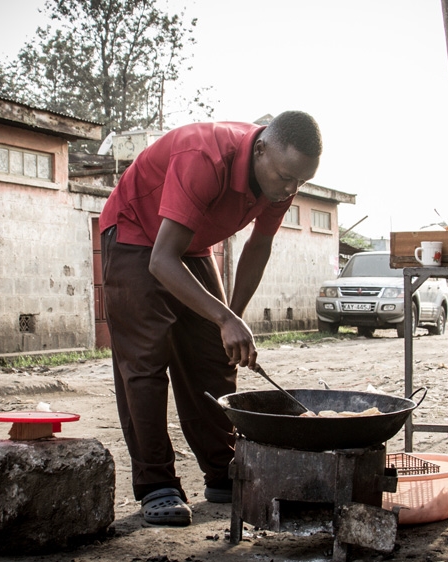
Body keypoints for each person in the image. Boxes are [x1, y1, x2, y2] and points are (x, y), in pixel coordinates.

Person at [98, 111, 322, 526]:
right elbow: (162, 261)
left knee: (216, 360)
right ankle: (156, 484)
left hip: (192, 246)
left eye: (300, 182)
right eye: (286, 177)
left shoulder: (281, 181)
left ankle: (224, 471)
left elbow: (258, 248)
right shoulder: (204, 154)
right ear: (260, 149)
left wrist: (231, 318)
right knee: (145, 364)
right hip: (135, 235)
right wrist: (224, 318)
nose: (290, 189)